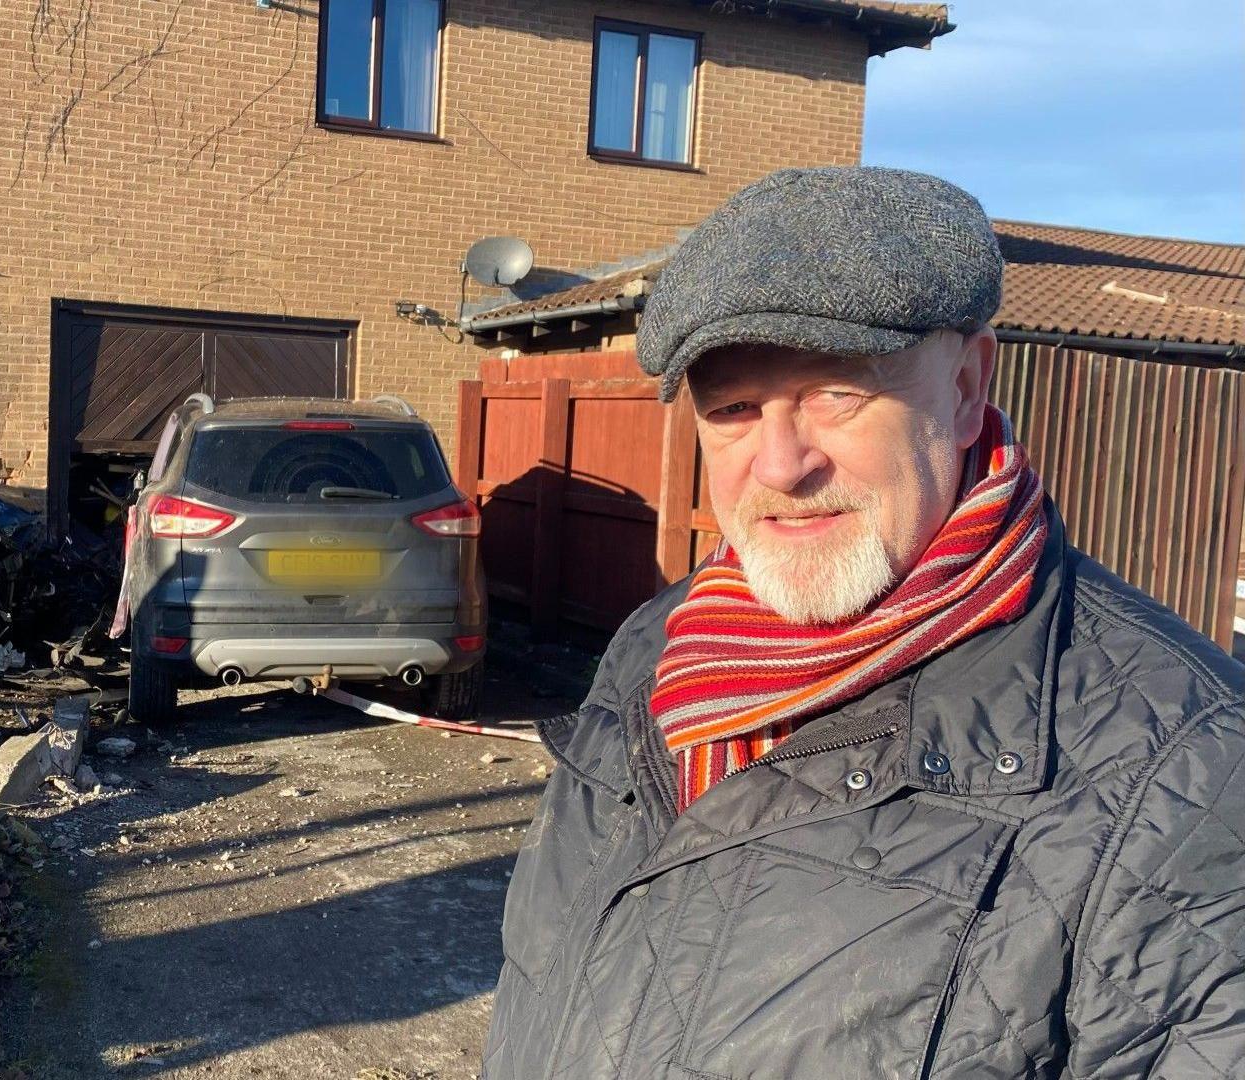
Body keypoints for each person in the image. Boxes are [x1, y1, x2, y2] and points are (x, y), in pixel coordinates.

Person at [483, 166, 1245, 1079]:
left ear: (966, 388)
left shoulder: (1187, 770)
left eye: (835, 393)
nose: (780, 463)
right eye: (731, 409)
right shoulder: (658, 645)